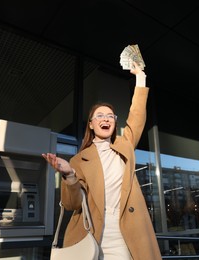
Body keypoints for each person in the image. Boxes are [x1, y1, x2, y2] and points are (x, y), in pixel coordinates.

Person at [42, 61, 162, 260]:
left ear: (114, 123)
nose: (105, 119)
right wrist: (69, 175)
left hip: (124, 231)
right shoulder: (79, 160)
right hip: (90, 233)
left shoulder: (125, 145)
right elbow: (72, 204)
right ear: (91, 124)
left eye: (110, 116)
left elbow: (137, 116)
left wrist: (140, 78)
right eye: (99, 116)